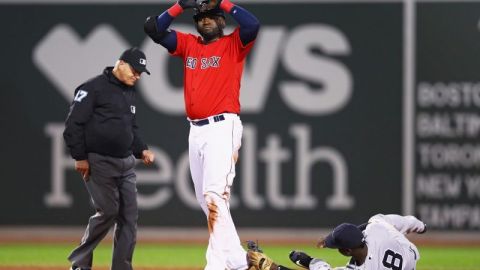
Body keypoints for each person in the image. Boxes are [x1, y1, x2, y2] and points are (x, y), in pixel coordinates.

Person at [144, 0, 260, 269]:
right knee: (206, 200)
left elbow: (253, 24)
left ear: (221, 21)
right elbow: (154, 30)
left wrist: (222, 3)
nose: (205, 21)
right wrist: (179, 6)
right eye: (200, 17)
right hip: (195, 130)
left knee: (212, 196)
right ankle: (240, 261)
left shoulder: (233, 44)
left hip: (222, 127)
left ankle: (216, 264)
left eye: (211, 16)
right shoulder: (189, 44)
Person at [63, 47, 155, 270]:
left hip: (126, 163)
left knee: (129, 218)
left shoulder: (129, 92)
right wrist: (80, 157)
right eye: (135, 70)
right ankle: (79, 263)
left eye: (141, 72)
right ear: (121, 63)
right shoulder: (93, 88)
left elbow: (130, 128)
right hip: (98, 161)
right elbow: (73, 124)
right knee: (109, 211)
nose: (138, 75)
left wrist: (142, 150)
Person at [247, 214, 427, 270]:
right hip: (409, 260)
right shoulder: (378, 226)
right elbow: (410, 222)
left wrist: (274, 267)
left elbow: (322, 268)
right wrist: (422, 227)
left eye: (337, 247)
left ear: (347, 251)